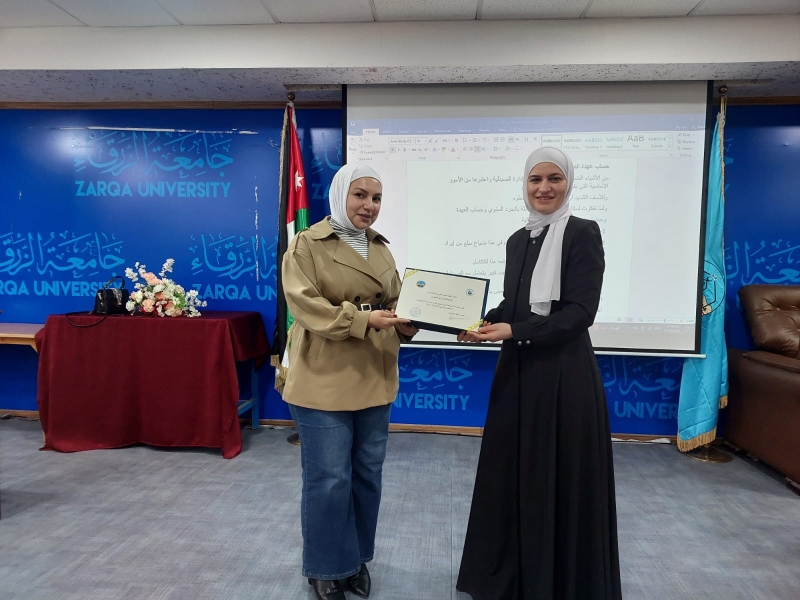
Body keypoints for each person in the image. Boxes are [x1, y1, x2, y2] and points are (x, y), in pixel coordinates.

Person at [455, 147, 622, 600]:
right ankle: (509, 577)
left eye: (554, 178)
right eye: (535, 179)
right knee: (508, 470)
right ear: (525, 185)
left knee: (556, 476)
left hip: (563, 375)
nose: (544, 188)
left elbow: (580, 313)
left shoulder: (583, 232)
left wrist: (515, 330)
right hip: (517, 373)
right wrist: (478, 321)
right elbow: (514, 305)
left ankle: (556, 583)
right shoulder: (518, 239)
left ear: (568, 182)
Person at [281, 162, 418, 600]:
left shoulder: (380, 248)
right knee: (329, 479)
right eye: (360, 195)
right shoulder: (307, 244)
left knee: (366, 475)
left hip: (374, 375)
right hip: (324, 378)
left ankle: (355, 559)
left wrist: (411, 318)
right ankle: (325, 567)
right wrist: (363, 319)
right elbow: (306, 306)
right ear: (340, 195)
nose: (369, 205)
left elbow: (395, 300)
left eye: (376, 198)